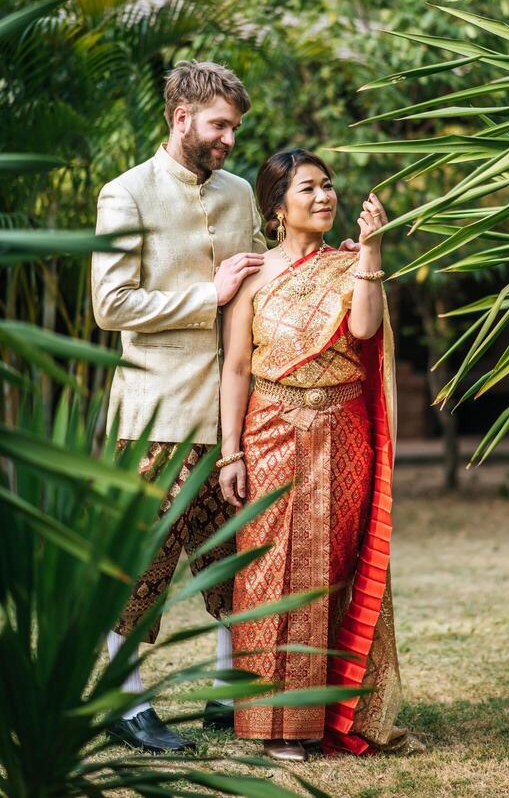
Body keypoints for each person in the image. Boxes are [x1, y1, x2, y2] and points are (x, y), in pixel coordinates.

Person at [91, 60, 267, 753]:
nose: (229, 140)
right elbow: (111, 305)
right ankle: (126, 705)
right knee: (142, 567)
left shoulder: (242, 193)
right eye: (220, 125)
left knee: (232, 557)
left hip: (231, 420)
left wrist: (319, 264)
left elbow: (261, 279)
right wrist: (210, 295)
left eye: (235, 128)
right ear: (180, 116)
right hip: (152, 420)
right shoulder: (126, 194)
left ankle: (227, 698)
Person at [219, 149, 404, 762]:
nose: (324, 197)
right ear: (278, 206)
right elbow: (237, 368)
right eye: (309, 188)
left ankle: (326, 716)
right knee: (269, 572)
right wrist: (229, 455)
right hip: (270, 430)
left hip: (343, 431)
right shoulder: (250, 275)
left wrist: (372, 252)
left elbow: (364, 333)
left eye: (329, 187)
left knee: (330, 569)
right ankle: (273, 725)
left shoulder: (347, 266)